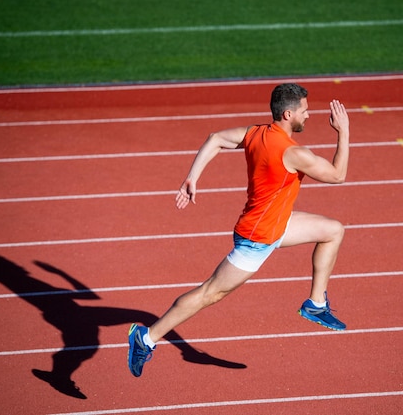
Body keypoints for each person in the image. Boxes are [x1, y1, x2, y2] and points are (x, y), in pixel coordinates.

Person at [128, 83, 350, 377]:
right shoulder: (294, 153)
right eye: (305, 111)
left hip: (276, 223)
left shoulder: (257, 133)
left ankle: (316, 304)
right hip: (256, 239)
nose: (309, 116)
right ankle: (146, 338)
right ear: (288, 114)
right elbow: (338, 175)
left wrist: (191, 178)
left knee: (333, 230)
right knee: (210, 293)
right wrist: (344, 132)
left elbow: (216, 138)